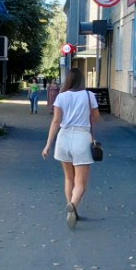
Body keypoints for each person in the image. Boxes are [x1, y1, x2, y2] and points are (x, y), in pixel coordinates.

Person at [41, 69, 98, 228]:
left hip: (63, 138)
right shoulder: (89, 96)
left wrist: (48, 145)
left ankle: (71, 211)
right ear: (82, 80)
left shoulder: (61, 96)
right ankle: (73, 205)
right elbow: (96, 117)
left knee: (68, 178)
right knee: (80, 182)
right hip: (82, 138)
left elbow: (56, 121)